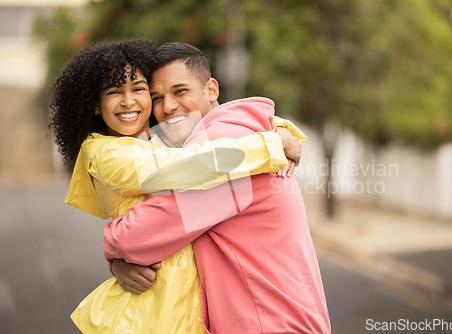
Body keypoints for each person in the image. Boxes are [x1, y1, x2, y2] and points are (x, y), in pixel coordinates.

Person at [49, 38, 303, 333]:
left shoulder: (155, 141)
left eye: (139, 90)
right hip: (152, 309)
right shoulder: (109, 152)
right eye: (114, 92)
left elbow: (229, 133)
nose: (129, 101)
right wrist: (270, 145)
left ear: (211, 89)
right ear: (95, 104)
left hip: (187, 305)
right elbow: (183, 167)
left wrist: (281, 129)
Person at [105, 42, 331, 333]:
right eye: (157, 98)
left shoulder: (217, 151)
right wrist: (120, 264)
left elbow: (135, 238)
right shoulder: (242, 137)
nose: (168, 107)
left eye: (180, 91)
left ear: (211, 90)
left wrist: (113, 251)